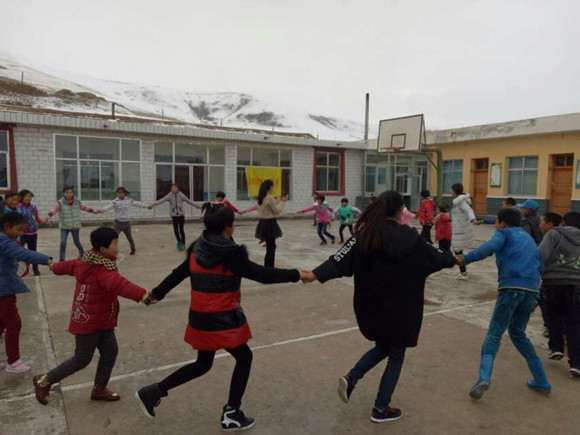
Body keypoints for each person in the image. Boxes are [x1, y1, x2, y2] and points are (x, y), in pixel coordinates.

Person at [135, 204, 304, 431]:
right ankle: (232, 412)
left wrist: (156, 293)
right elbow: (262, 275)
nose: (234, 226)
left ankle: (153, 392)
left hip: (200, 318)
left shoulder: (198, 248)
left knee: (203, 364)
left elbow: (178, 274)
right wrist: (297, 274)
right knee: (244, 357)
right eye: (233, 222)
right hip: (221, 320)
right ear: (227, 227)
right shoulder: (231, 254)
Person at [302, 191, 455, 423]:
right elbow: (435, 256)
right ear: (401, 210)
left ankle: (352, 378)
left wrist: (315, 274)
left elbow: (339, 260)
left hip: (373, 308)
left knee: (384, 346)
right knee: (396, 355)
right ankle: (381, 408)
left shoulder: (364, 235)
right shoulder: (411, 237)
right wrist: (455, 260)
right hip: (403, 309)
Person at [32, 227, 149, 405]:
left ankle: (99, 389)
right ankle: (44, 381)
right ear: (103, 249)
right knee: (81, 359)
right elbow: (120, 284)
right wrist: (142, 295)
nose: (118, 247)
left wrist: (54, 266)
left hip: (102, 320)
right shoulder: (102, 269)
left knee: (110, 352)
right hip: (89, 322)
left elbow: (68, 266)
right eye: (115, 243)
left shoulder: (86, 259)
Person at [455, 208, 551, 400]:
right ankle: (541, 380)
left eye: (497, 222)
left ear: (502, 223)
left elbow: (489, 248)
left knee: (494, 333)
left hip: (510, 287)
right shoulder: (528, 238)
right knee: (518, 332)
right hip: (531, 290)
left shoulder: (504, 233)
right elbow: (540, 265)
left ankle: (483, 378)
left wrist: (465, 259)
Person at [0, 212, 52, 373]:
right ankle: (13, 361)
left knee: (2, 322)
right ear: (7, 227)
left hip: (4, 286)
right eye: (19, 229)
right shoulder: (4, 241)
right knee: (13, 323)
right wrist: (46, 260)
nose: (21, 233)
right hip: (3, 289)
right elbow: (23, 253)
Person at [538, 211, 580, 377]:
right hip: (576, 285)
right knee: (574, 323)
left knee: (553, 316)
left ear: (563, 222)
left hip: (552, 282)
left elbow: (541, 254)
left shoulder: (554, 234)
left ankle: (556, 348)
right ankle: (576, 364)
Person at [45, 186, 101, 262]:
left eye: (70, 192)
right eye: (67, 192)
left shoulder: (77, 201)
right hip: (64, 226)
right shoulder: (60, 203)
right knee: (63, 243)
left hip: (75, 226)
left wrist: (94, 211)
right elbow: (54, 210)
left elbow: (84, 207)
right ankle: (62, 260)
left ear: (73, 193)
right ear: (63, 193)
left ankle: (82, 254)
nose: (68, 194)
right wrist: (48, 217)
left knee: (77, 242)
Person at [98, 187, 148, 255]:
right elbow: (108, 207)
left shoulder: (129, 200)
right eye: (118, 193)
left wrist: (147, 206)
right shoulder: (115, 201)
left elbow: (138, 204)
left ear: (124, 193)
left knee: (129, 237)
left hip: (126, 223)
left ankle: (133, 249)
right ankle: (111, 249)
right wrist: (100, 210)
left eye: (121, 193)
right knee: (114, 237)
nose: (120, 194)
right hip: (117, 223)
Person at [149, 184, 200, 251]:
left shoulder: (181, 195)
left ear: (178, 189)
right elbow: (161, 200)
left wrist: (196, 206)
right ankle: (179, 242)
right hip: (174, 215)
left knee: (181, 230)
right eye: (172, 188)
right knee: (176, 230)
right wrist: (152, 205)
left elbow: (188, 201)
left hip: (181, 215)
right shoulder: (169, 196)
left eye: (175, 188)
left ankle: (183, 243)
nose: (173, 189)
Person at [538, 212, 563, 337]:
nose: (539, 226)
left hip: (552, 279)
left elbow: (541, 256)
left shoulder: (551, 235)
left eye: (541, 223)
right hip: (571, 278)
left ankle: (552, 331)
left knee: (548, 306)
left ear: (550, 224)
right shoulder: (569, 236)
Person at [255, 179, 288, 267]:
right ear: (270, 187)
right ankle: (269, 267)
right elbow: (277, 211)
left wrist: (276, 202)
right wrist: (283, 202)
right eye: (273, 186)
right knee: (271, 247)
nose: (273, 188)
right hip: (269, 223)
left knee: (270, 247)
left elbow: (266, 208)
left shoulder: (261, 197)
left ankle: (268, 267)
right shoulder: (269, 197)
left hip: (263, 222)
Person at [450, 183, 478, 280]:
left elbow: (469, 210)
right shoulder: (457, 201)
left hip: (460, 230)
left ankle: (463, 272)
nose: (450, 192)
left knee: (458, 252)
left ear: (455, 191)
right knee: (458, 252)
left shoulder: (460, 202)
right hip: (458, 229)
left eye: (451, 190)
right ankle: (463, 271)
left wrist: (473, 220)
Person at [17, 189, 45, 276]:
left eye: (30, 196)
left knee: (33, 252)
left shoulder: (33, 207)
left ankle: (35, 269)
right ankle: (21, 269)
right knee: (19, 252)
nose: (28, 198)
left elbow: (37, 218)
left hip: (33, 234)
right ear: (21, 197)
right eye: (26, 196)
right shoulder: (18, 207)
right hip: (22, 235)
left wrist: (42, 221)